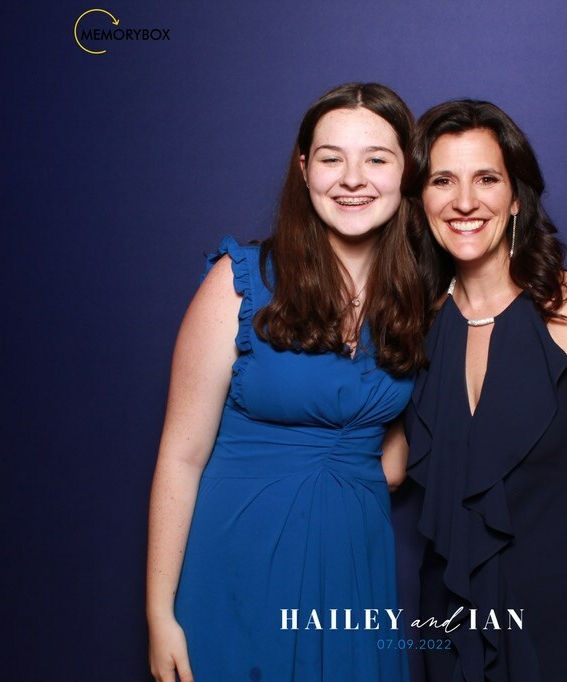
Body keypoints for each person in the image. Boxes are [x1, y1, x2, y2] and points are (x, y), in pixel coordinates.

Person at [146, 82, 425, 682]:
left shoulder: (416, 302)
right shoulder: (240, 283)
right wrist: (159, 614)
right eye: (331, 158)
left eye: (377, 159)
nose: (353, 179)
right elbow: (181, 456)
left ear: (407, 171)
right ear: (304, 170)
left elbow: (394, 460)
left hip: (353, 570)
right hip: (238, 564)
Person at [402, 100, 567, 681]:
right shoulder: (414, 328)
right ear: (421, 200)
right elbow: (384, 466)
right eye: (443, 180)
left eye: (486, 179)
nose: (465, 201)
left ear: (516, 197)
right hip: (451, 629)